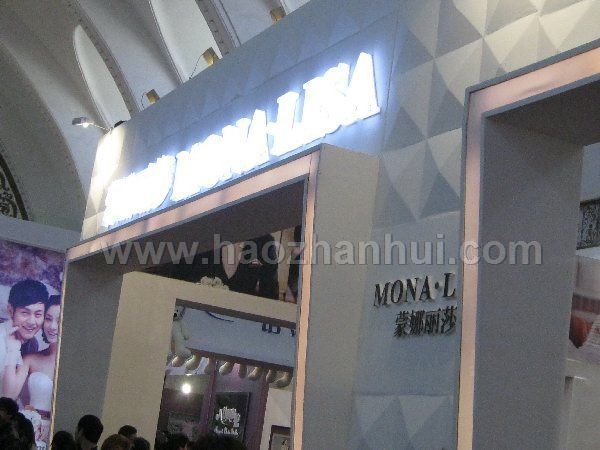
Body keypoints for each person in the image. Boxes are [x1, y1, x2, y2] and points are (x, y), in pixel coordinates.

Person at [3, 295, 61, 419]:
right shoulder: (30, 359)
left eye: (59, 320)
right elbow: (8, 398)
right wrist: (13, 348)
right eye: (48, 319)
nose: (52, 326)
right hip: (32, 426)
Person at [5, 279, 48, 357]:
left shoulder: (32, 344)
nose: (31, 322)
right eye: (25, 313)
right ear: (10, 310)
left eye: (38, 314)